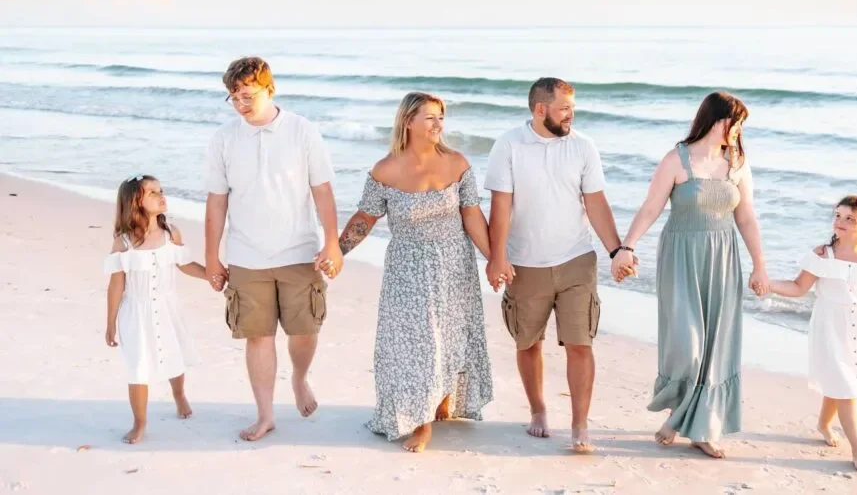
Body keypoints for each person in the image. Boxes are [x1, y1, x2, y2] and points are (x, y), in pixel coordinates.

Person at [611, 91, 769, 459]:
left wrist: (759, 264)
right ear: (717, 121)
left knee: (716, 345)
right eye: (736, 122)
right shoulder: (677, 159)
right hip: (681, 257)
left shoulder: (737, 163)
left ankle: (701, 428)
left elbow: (746, 217)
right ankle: (682, 413)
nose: (739, 130)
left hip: (723, 258)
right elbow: (651, 208)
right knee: (688, 343)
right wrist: (627, 247)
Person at [333, 92, 493, 453]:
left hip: (454, 263)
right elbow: (365, 218)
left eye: (441, 118)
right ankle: (421, 423)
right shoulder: (385, 169)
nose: (438, 125)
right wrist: (337, 252)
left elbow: (472, 215)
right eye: (430, 118)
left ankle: (442, 400)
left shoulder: (457, 163)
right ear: (408, 121)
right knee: (418, 343)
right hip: (407, 266)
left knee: (451, 335)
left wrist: (494, 259)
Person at [484, 77, 634, 454]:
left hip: (576, 260)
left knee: (580, 342)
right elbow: (500, 206)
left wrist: (617, 251)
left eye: (572, 108)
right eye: (564, 108)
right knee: (528, 343)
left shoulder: (583, 146)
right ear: (541, 109)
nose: (571, 115)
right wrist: (497, 257)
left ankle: (580, 423)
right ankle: (538, 410)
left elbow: (595, 203)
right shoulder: (508, 145)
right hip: (524, 263)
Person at [204, 56, 341, 442]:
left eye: (247, 96)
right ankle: (265, 415)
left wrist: (332, 242)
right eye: (233, 97)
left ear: (269, 89)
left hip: (299, 251)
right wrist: (212, 256)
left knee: (305, 331)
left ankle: (299, 378)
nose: (240, 104)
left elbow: (322, 190)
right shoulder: (224, 138)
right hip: (246, 256)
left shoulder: (302, 131)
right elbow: (216, 201)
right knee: (258, 335)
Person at [766, 195, 857, 472]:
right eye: (838, 215)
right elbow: (798, 287)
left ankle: (823, 424)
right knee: (846, 387)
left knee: (843, 383)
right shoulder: (822, 256)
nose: (840, 222)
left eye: (849, 218)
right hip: (830, 329)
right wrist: (767, 284)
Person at [103, 174, 209, 444]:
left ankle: (179, 395)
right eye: (152, 192)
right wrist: (110, 322)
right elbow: (116, 285)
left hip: (167, 306)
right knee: (137, 366)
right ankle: (139, 422)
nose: (161, 195)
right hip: (135, 313)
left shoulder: (171, 234)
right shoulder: (123, 243)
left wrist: (210, 275)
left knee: (174, 353)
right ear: (134, 202)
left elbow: (184, 264)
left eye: (161, 190)